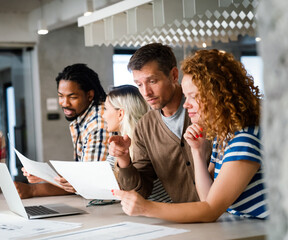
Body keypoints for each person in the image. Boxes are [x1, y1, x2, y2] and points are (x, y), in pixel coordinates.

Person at [113, 49, 268, 222]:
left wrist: (146, 208)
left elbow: (210, 209)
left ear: (218, 96)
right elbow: (207, 197)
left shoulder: (244, 140)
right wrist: (198, 152)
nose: (186, 105)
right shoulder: (223, 137)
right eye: (186, 97)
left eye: (193, 97)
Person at [109, 43, 211, 203]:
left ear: (174, 75)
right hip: (186, 220)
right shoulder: (145, 127)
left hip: (231, 217)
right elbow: (140, 191)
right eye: (139, 84)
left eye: (152, 81)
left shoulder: (204, 110)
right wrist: (123, 158)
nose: (146, 92)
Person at [15, 63, 111, 198]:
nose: (64, 103)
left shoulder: (98, 124)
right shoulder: (85, 117)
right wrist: (43, 177)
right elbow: (82, 177)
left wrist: (35, 189)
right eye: (61, 96)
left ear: (89, 95)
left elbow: (90, 183)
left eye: (72, 97)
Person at [104, 85, 171, 203]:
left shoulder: (143, 145)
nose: (103, 115)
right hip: (143, 212)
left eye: (105, 109)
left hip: (161, 213)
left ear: (120, 114)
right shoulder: (119, 143)